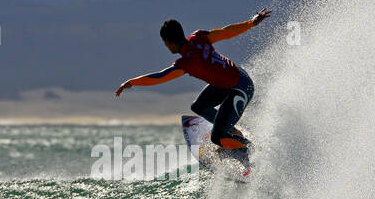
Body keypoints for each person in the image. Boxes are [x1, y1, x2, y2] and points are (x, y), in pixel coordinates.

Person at [115, 8, 270, 150]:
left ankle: (254, 152)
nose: (166, 46)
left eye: (165, 43)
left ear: (168, 42)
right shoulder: (198, 37)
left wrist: (131, 82)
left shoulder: (185, 63)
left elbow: (160, 77)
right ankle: (230, 131)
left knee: (217, 138)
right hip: (230, 81)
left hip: (240, 88)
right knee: (199, 106)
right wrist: (251, 23)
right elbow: (224, 32)